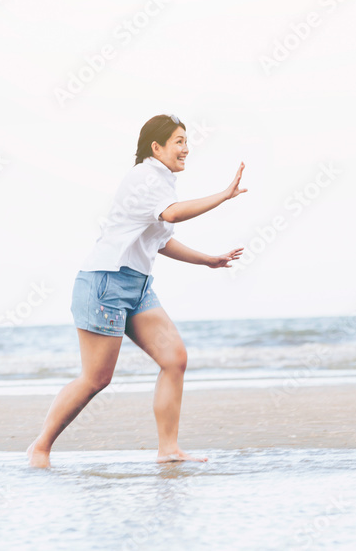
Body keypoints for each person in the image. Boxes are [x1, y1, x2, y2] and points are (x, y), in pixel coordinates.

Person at [27, 114, 246, 467]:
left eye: (186, 141)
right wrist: (223, 195)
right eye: (178, 141)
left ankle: (169, 450)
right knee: (96, 378)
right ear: (155, 147)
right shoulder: (145, 177)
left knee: (174, 359)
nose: (185, 149)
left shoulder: (161, 182)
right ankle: (40, 447)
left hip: (137, 286)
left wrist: (208, 260)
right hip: (106, 281)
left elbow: (160, 240)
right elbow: (172, 216)